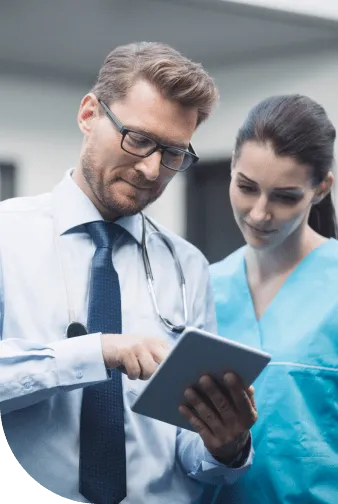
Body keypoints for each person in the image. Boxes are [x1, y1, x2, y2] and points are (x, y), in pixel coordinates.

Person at [0, 42, 257, 504]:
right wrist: (96, 352)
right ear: (88, 115)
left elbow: (190, 454)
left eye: (174, 154)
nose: (151, 168)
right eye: (138, 139)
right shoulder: (7, 236)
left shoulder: (186, 266)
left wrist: (226, 445)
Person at [210, 94, 338, 503]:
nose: (259, 214)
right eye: (246, 188)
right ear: (231, 168)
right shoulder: (203, 286)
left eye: (285, 196)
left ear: (321, 189)